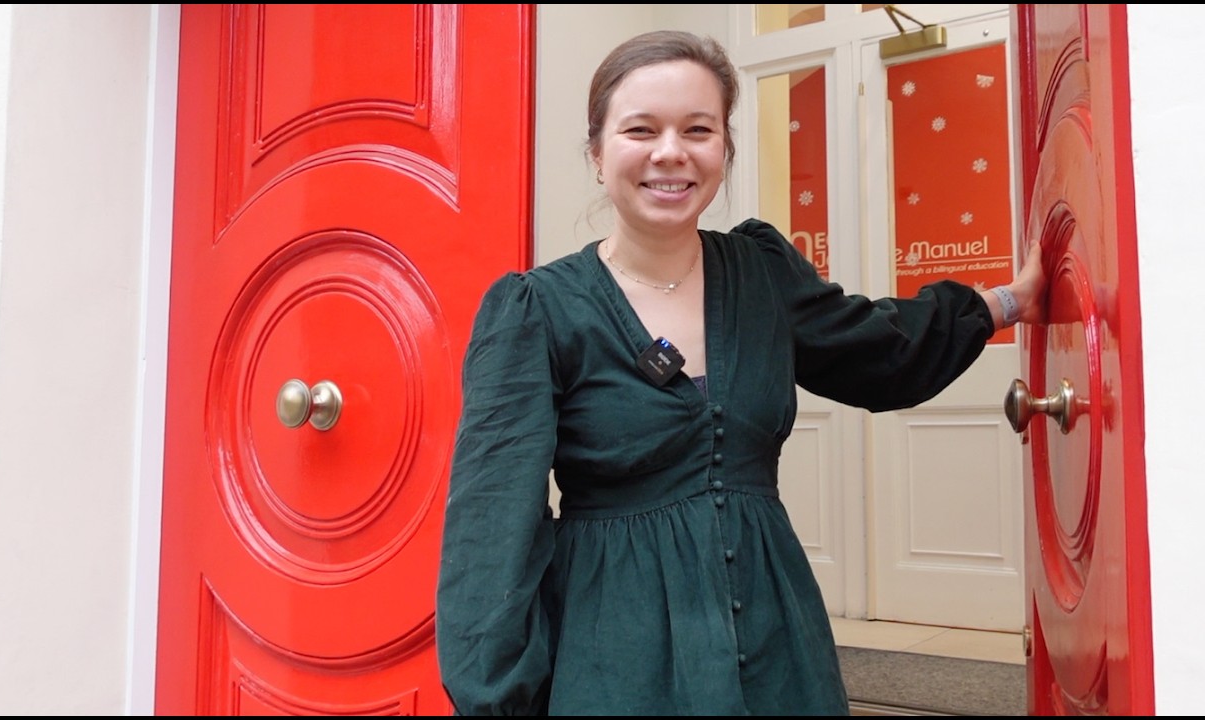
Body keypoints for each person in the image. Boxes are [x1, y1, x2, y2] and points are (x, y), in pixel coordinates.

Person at [435, 29, 1045, 716]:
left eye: (698, 129)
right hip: (616, 652)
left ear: (723, 147)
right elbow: (491, 531)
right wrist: (499, 698)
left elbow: (878, 349)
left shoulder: (758, 271)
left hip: (773, 633)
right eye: (641, 129)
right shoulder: (536, 310)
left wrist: (1009, 302)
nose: (672, 152)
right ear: (598, 152)